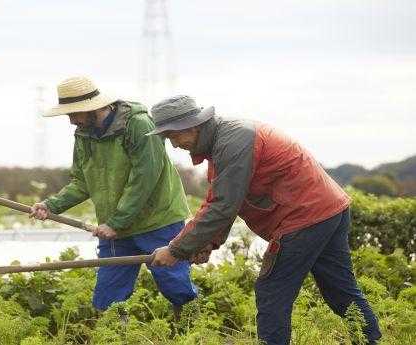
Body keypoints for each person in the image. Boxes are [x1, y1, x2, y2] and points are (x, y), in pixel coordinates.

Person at [148, 95, 381, 344]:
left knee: (272, 291)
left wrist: (176, 249)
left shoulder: (233, 141)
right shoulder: (225, 142)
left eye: (173, 136)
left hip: (304, 217)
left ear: (191, 127)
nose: (173, 145)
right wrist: (206, 243)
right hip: (327, 211)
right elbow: (224, 200)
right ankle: (371, 340)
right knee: (340, 288)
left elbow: (223, 207)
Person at [29, 76, 198, 314]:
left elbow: (144, 178)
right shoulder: (83, 134)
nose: (71, 121)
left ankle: (194, 330)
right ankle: (115, 336)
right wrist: (51, 205)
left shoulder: (138, 125)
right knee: (107, 297)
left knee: (175, 285)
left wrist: (117, 222)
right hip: (115, 228)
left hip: (157, 220)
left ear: (93, 108)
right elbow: (82, 182)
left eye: (74, 114)